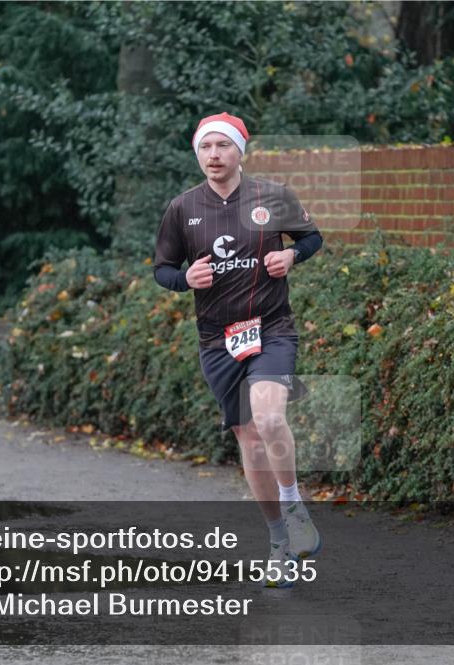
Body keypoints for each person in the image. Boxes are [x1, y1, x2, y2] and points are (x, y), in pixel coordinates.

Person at [152, 112, 323, 588]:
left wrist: (293, 255)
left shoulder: (273, 196)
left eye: (222, 146)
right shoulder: (182, 208)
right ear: (197, 154)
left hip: (271, 328)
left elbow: (313, 239)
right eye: (205, 147)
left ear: (239, 152)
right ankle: (278, 544)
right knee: (249, 438)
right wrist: (183, 279)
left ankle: (293, 507)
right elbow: (162, 269)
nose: (213, 155)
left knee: (269, 418)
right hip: (217, 340)